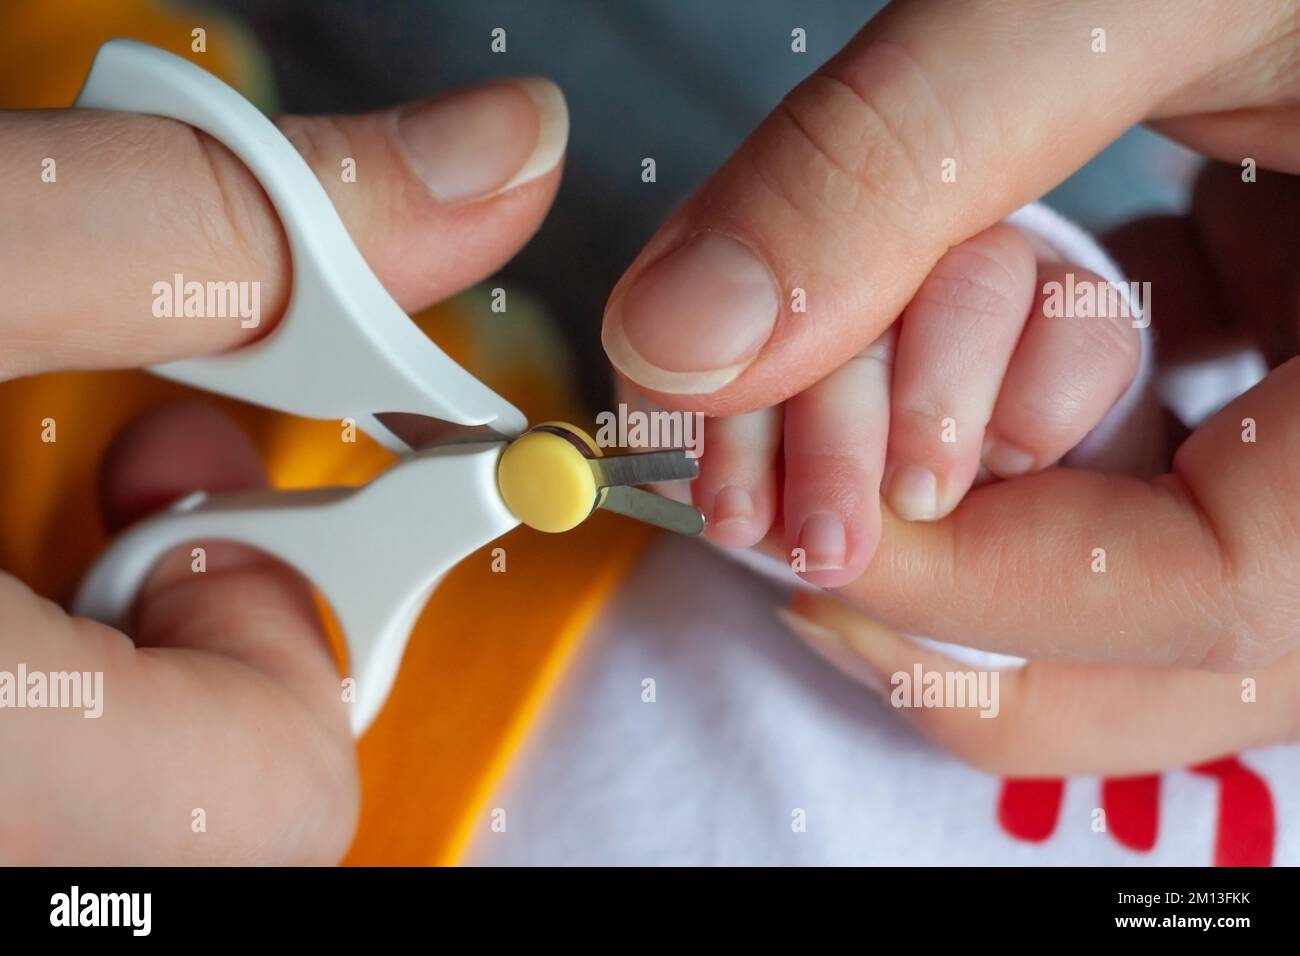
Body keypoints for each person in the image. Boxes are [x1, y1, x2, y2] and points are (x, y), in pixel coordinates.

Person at [2, 0, 1298, 864]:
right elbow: (1157, 493)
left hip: (251, 734)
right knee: (133, 216)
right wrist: (1008, 412)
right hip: (412, 567)